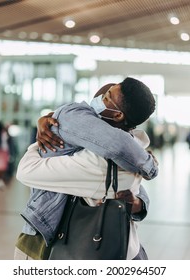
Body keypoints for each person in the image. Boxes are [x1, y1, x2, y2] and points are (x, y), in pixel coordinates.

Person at [15, 77, 159, 260]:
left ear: (118, 115)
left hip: (52, 242)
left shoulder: (100, 160)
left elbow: (26, 170)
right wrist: (138, 203)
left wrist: (41, 141)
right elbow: (136, 191)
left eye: (107, 97)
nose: (98, 101)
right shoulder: (133, 150)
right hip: (124, 246)